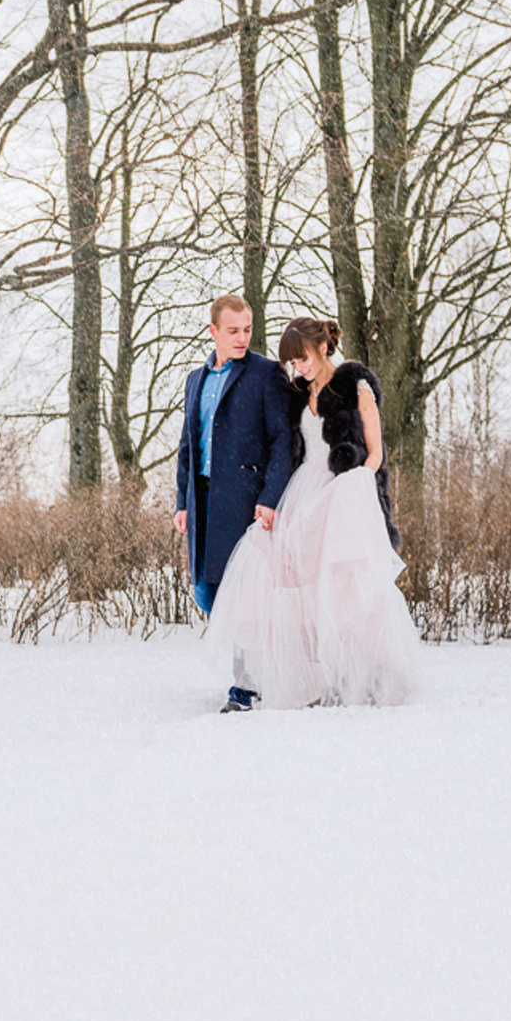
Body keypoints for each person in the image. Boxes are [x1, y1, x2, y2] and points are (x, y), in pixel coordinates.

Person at [206, 317, 421, 710]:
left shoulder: (355, 385)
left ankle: (361, 675)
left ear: (322, 347)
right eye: (291, 362)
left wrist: (353, 485)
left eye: (302, 358)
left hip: (341, 490)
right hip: (301, 491)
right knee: (283, 571)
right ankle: (305, 678)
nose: (298, 368)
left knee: (343, 586)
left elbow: (376, 451)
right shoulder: (299, 394)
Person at [175, 294, 294, 706]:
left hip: (246, 502)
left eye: (247, 329)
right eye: (233, 331)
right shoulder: (196, 380)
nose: (242, 338)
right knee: (207, 593)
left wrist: (271, 496)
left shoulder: (265, 374)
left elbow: (284, 440)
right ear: (213, 332)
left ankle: (245, 687)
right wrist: (182, 501)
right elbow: (187, 445)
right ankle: (257, 668)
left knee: (243, 595)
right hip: (202, 500)